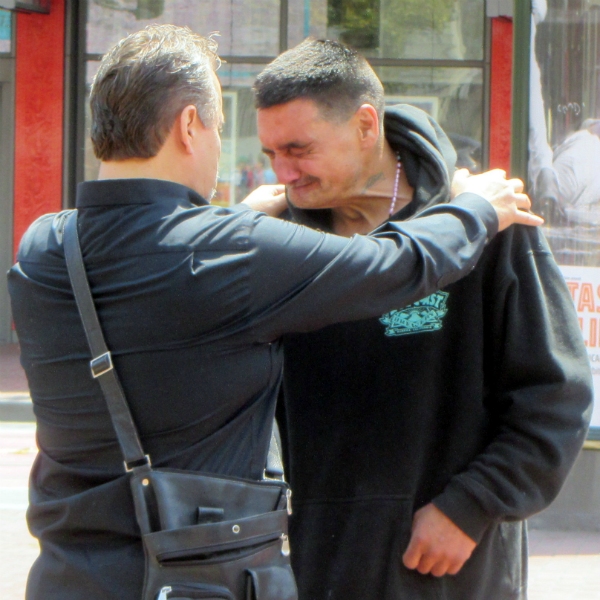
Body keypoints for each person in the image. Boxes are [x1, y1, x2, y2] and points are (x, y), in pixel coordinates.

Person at [7, 26, 540, 600]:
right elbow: (393, 262)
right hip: (197, 578)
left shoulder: (44, 248)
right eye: (217, 127)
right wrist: (478, 209)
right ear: (190, 126)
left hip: (71, 577)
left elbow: (157, 284)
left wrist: (233, 223)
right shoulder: (230, 250)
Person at [252, 39, 593, 600]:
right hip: (318, 568)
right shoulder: (279, 243)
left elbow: (557, 394)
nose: (283, 173)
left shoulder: (492, 225)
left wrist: (472, 506)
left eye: (298, 148)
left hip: (452, 568)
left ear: (366, 125)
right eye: (270, 155)